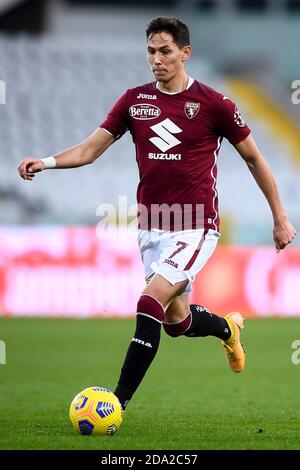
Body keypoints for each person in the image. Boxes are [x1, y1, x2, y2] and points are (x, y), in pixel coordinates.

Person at [18, 17, 296, 411]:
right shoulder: (134, 101)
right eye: (151, 51)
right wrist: (45, 162)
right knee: (176, 321)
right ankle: (227, 328)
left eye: (165, 51)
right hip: (151, 227)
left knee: (149, 301)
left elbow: (254, 157)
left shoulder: (215, 104)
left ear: (185, 53)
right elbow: (89, 150)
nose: (156, 59)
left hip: (196, 226)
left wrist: (280, 216)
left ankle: (117, 401)